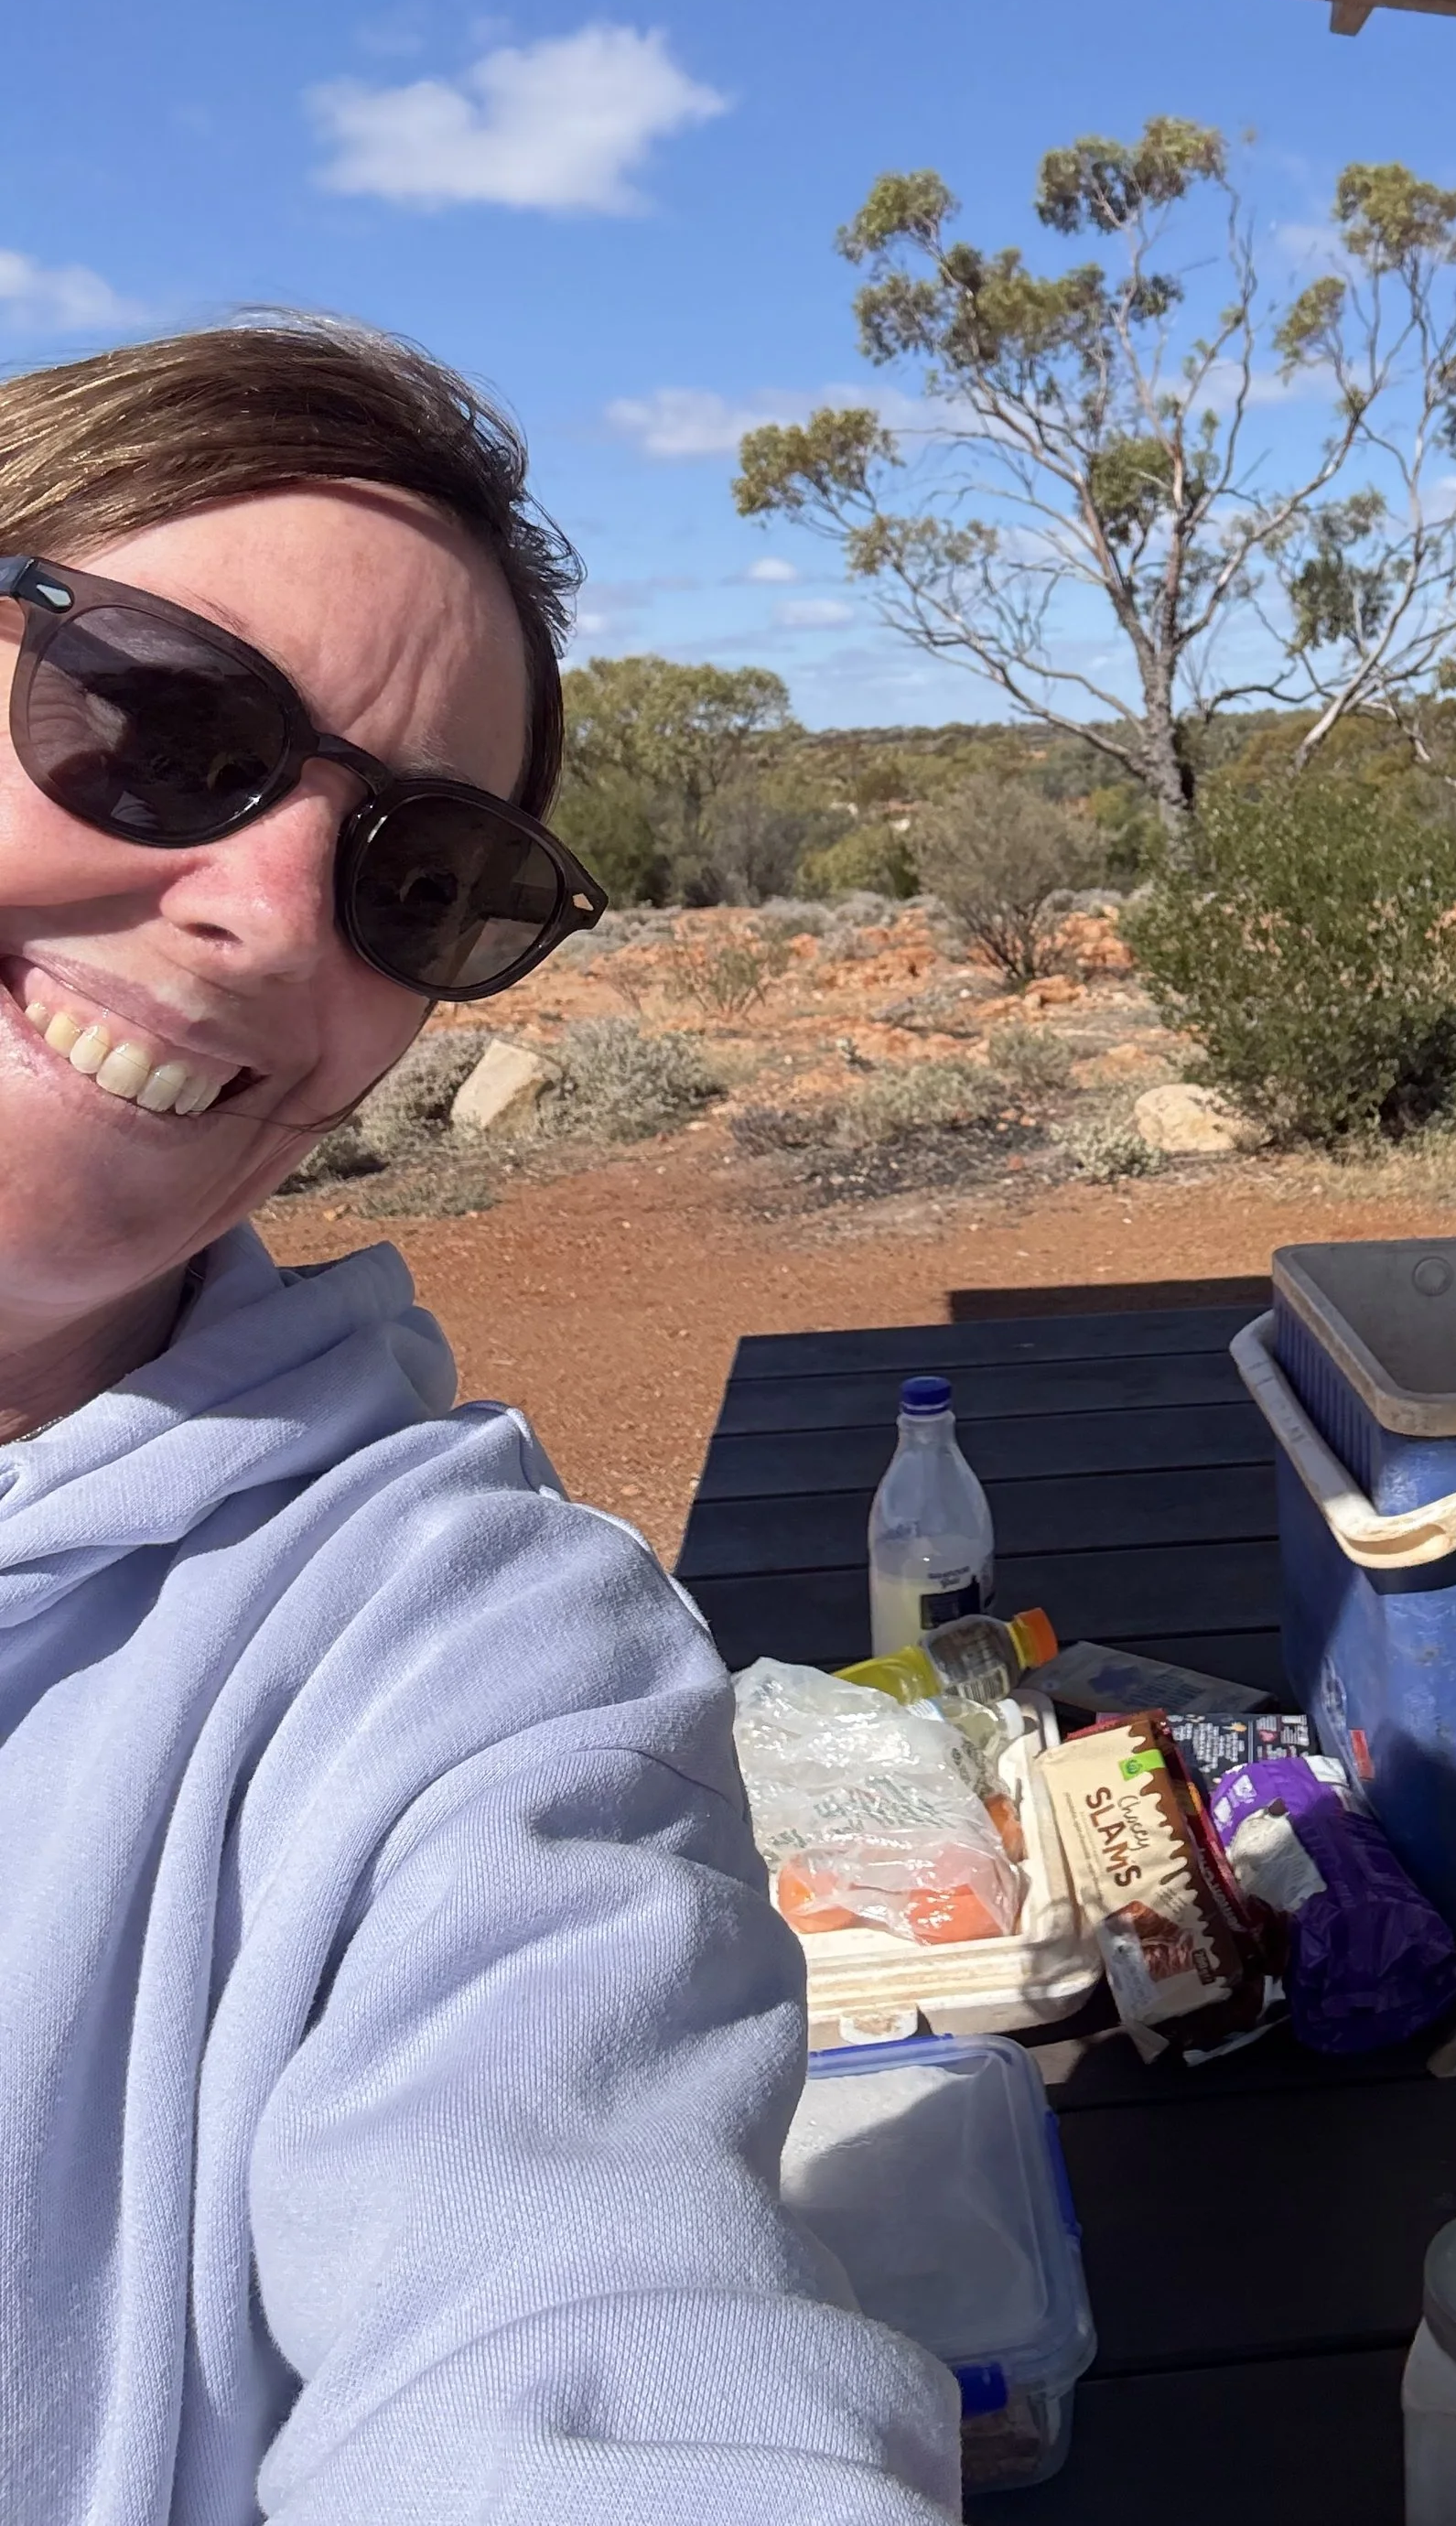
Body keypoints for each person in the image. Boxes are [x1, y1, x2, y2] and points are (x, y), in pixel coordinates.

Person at [0, 321, 958, 2523]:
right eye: (158, 722)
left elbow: (594, 2329)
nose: (261, 919)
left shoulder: (459, 1645)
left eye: (421, 876)